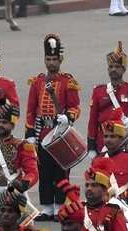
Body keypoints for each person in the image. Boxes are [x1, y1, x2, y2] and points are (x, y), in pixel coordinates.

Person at [25, 34, 81, 221]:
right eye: (48, 59)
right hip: (43, 131)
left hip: (60, 132)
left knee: (60, 170)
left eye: (54, 59)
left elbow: (75, 106)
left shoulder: (67, 81)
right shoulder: (38, 82)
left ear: (60, 60)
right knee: (45, 170)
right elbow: (31, 109)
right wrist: (31, 133)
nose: (51, 63)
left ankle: (59, 206)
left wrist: (68, 117)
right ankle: (47, 207)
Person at [87, 42, 128, 156]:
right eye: (111, 67)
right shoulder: (99, 91)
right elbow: (93, 121)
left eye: (117, 67)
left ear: (123, 69)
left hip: (124, 141)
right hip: (103, 143)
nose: (113, 69)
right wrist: (91, 147)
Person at [0, 99, 39, 199]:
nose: (0, 125)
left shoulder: (22, 146)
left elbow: (33, 173)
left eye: (4, 122)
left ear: (12, 125)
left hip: (11, 197)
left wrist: (22, 185)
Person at [100, 109, 128, 207]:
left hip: (125, 208)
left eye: (112, 137)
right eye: (106, 136)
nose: (108, 140)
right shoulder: (98, 160)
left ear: (121, 139)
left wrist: (126, 196)